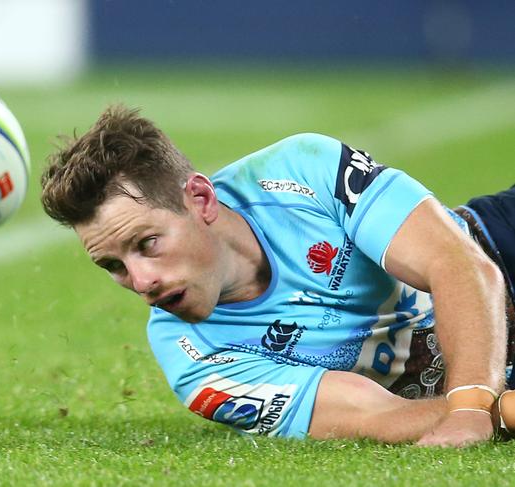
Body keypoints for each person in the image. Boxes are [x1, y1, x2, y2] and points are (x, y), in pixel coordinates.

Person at [40, 105, 515, 447]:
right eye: (114, 266)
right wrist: (503, 409)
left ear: (201, 200)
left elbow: (459, 264)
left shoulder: (301, 170)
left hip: (499, 249)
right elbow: (379, 416)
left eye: (147, 244)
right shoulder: (192, 360)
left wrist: (475, 408)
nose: (142, 282)